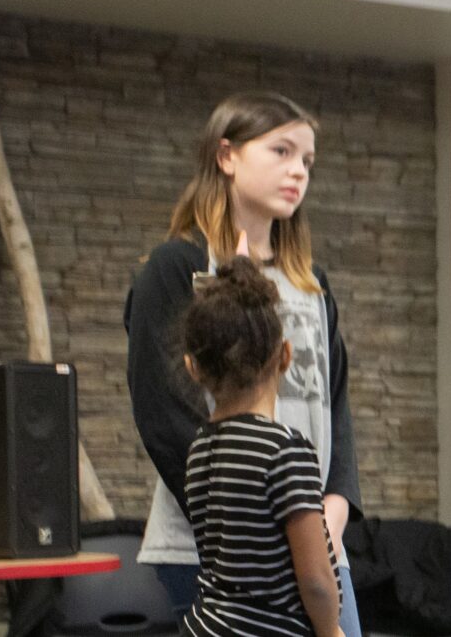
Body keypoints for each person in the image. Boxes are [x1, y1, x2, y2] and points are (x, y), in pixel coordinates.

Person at [124, 92, 363, 637]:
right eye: (281, 151)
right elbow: (162, 411)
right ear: (226, 155)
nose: (298, 171)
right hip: (215, 549)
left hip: (316, 539)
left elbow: (336, 404)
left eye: (307, 160)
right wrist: (256, 519)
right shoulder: (175, 267)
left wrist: (330, 510)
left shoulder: (312, 283)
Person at [178, 257, 346, 637]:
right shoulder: (285, 451)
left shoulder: (199, 450)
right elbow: (317, 580)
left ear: (193, 367)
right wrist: (331, 630)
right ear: (285, 355)